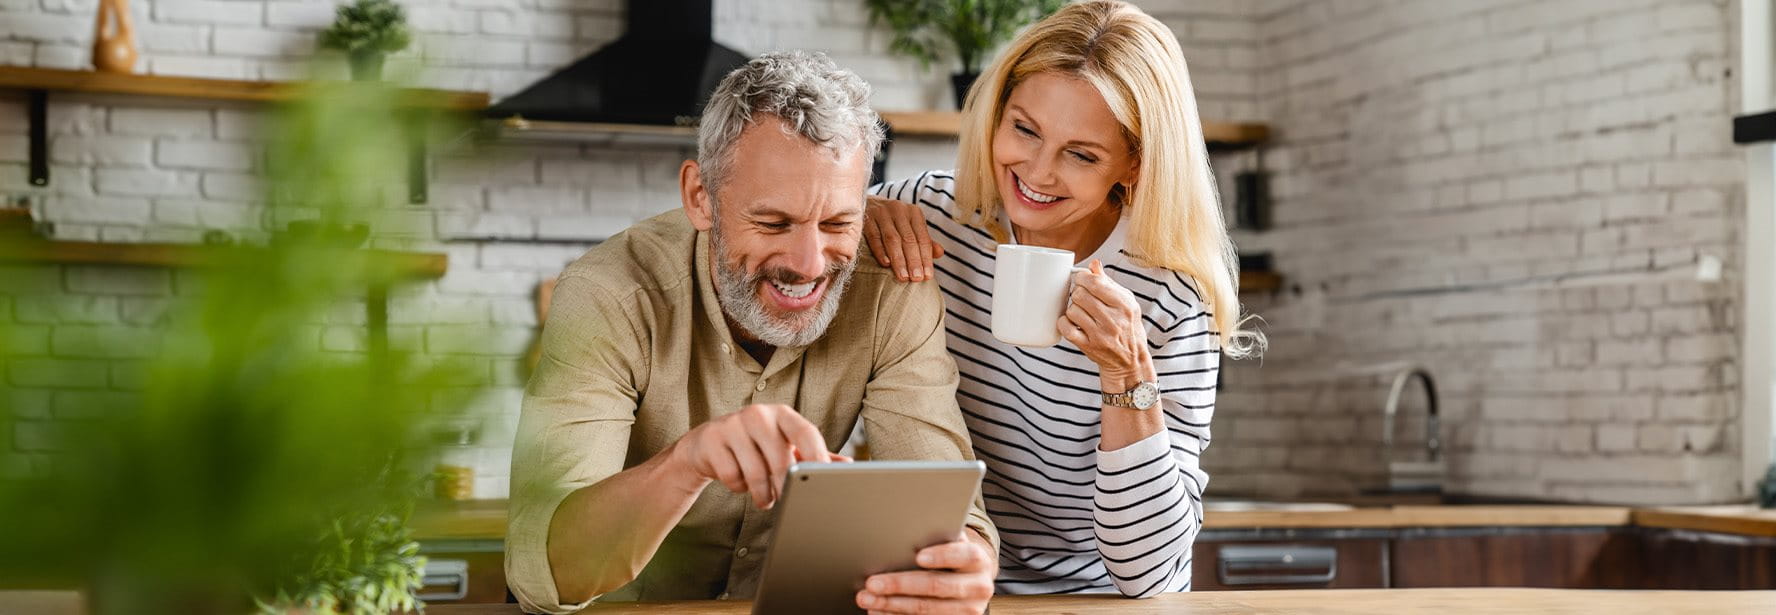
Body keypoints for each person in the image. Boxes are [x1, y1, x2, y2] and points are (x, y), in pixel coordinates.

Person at [505, 51, 999, 615]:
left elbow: (947, 508)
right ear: (701, 198)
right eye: (772, 223)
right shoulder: (608, 295)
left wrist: (966, 563)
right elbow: (545, 573)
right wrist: (687, 462)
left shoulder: (893, 290)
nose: (809, 263)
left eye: (838, 222)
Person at [861, 0, 1263, 598]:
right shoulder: (932, 215)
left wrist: (1127, 373)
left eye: (1081, 154)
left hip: (1098, 600)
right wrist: (854, 214)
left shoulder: (1172, 295)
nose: (1038, 172)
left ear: (1134, 165)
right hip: (946, 582)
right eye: (1025, 130)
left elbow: (1149, 574)